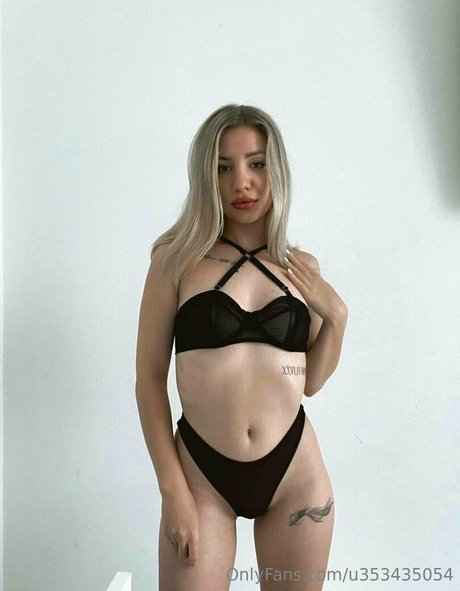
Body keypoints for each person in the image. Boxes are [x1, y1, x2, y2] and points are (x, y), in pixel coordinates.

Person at [135, 104, 348, 591]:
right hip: (201, 477)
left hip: (295, 474)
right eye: (223, 168)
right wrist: (172, 491)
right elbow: (148, 380)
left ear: (276, 171)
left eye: (256, 164)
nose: (242, 182)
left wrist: (337, 318)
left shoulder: (301, 267)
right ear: (205, 177)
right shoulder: (175, 260)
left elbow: (311, 381)